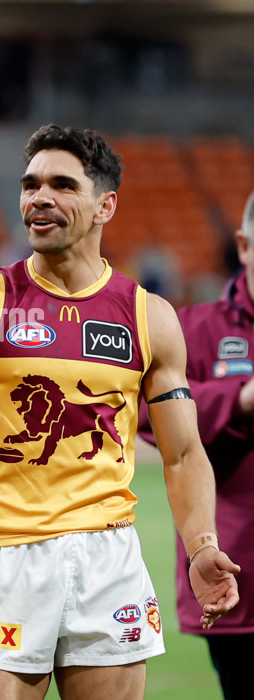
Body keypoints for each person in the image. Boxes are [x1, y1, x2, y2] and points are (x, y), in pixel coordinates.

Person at [0, 124, 240, 700]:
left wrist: (201, 546)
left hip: (110, 560)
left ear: (106, 205)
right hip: (7, 559)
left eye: (61, 185)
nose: (38, 198)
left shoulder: (149, 316)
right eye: (30, 185)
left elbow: (181, 453)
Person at [139, 190, 254, 700]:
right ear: (245, 246)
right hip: (239, 576)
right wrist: (242, 399)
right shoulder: (195, 328)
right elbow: (145, 413)